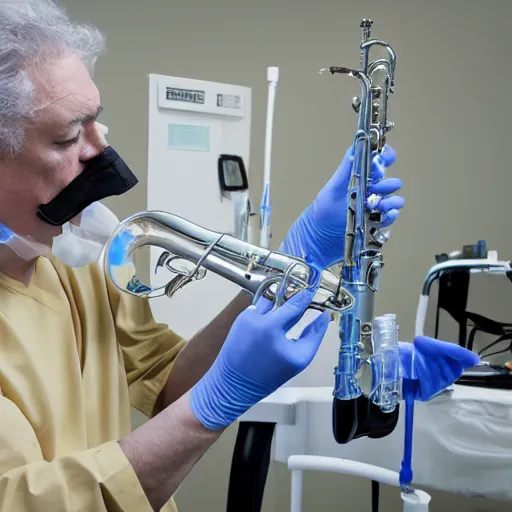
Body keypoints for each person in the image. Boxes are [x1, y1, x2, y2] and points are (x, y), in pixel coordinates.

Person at [0, 1, 479, 511]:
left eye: (97, 121)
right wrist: (215, 403)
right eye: (70, 137)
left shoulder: (77, 263)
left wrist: (297, 256)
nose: (102, 152)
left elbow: (166, 379)